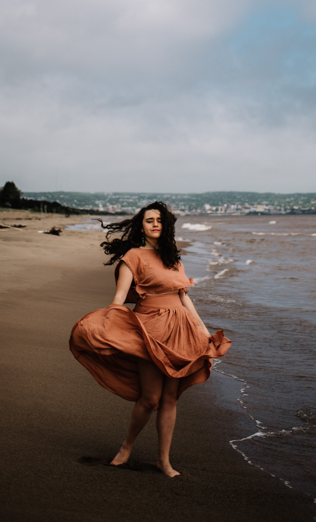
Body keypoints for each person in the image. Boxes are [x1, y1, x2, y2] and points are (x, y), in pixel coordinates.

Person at [69, 200, 231, 477]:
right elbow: (119, 300)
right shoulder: (132, 257)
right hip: (150, 331)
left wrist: (204, 333)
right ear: (141, 226)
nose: (155, 224)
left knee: (170, 398)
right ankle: (125, 448)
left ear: (165, 225)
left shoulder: (173, 259)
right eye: (149, 220)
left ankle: (163, 461)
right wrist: (106, 327)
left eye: (159, 220)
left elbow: (184, 298)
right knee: (150, 398)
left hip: (180, 330)